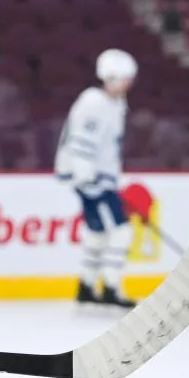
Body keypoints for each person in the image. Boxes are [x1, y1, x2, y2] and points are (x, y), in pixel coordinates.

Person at [54, 49, 138, 309]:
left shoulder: (115, 103)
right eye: (124, 78)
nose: (128, 83)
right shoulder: (95, 102)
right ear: (110, 77)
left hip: (98, 178)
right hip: (90, 179)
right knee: (121, 231)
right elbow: (82, 144)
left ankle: (87, 286)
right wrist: (87, 176)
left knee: (98, 231)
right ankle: (111, 287)